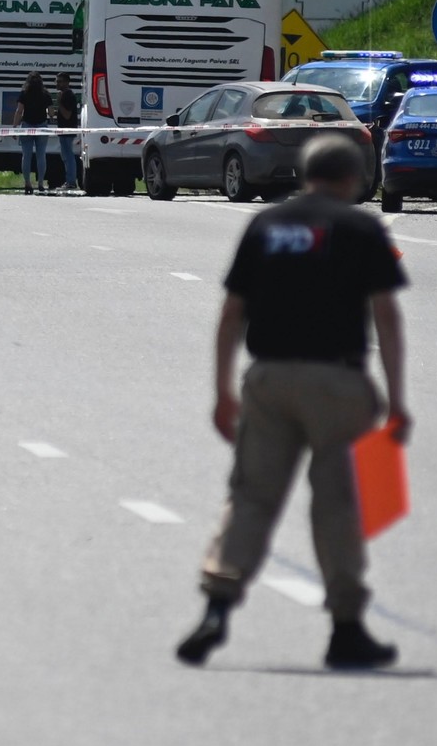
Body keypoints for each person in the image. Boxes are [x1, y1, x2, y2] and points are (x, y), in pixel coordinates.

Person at [176, 135, 411, 671]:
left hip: (270, 379)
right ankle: (346, 628)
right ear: (353, 179)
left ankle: (217, 605)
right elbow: (386, 315)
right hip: (338, 382)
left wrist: (222, 392)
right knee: (338, 505)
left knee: (252, 495)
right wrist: (397, 400)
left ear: (304, 175)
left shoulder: (267, 225)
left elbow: (232, 313)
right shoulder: (361, 229)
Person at [14, 71, 52, 194]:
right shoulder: (45, 94)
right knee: (41, 155)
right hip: (42, 126)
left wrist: (14, 127)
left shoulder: (24, 93)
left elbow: (19, 111)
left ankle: (27, 183)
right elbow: (51, 112)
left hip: (27, 125)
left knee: (26, 156)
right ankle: (40, 183)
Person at [52, 72, 81, 192]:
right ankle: (69, 180)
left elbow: (67, 115)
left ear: (66, 82)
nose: (57, 84)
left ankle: (71, 181)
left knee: (68, 155)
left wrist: (59, 103)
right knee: (65, 155)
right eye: (56, 81)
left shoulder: (68, 95)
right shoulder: (65, 95)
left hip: (67, 130)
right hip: (63, 130)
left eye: (59, 81)